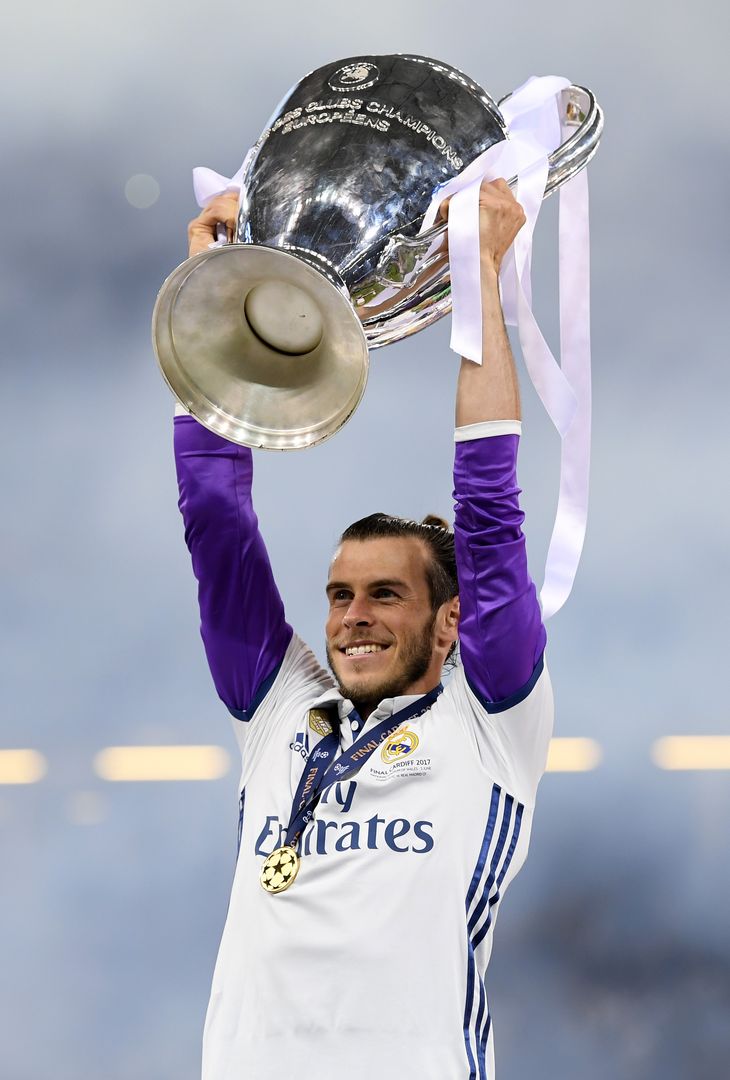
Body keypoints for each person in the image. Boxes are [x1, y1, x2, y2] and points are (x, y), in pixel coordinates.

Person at [175, 178, 553, 1080]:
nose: (352, 618)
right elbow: (214, 519)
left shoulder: (490, 724)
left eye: (386, 594)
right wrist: (213, 297)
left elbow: (490, 512)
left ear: (451, 621)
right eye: (341, 595)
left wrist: (483, 278)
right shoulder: (279, 713)